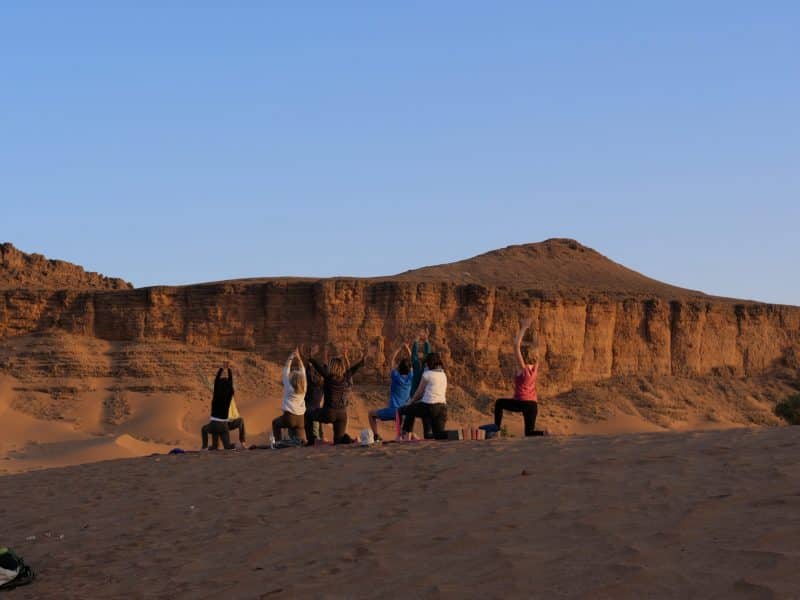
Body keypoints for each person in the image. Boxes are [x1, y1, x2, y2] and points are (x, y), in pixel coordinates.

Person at [493, 317, 545, 437]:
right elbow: (536, 348)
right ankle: (544, 433)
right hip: (533, 405)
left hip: (522, 402)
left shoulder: (523, 368)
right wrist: (535, 332)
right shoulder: (535, 368)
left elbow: (516, 345)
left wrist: (524, 327)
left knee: (499, 403)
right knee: (529, 433)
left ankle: (496, 430)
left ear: (523, 357)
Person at [305, 348, 367, 444]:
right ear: (342, 367)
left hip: (328, 413)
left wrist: (311, 359)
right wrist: (361, 362)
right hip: (342, 415)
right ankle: (351, 440)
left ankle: (311, 441)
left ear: (331, 367)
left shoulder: (328, 377)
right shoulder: (345, 377)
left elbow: (318, 368)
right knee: (338, 441)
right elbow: (353, 369)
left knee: (308, 414)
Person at [368, 344, 413, 441]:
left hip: (394, 411)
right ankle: (404, 435)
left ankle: (376, 436)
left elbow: (391, 361)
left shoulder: (396, 376)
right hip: (405, 413)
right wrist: (407, 349)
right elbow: (412, 361)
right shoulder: (410, 378)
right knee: (405, 431)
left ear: (399, 368)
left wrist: (399, 348)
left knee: (371, 414)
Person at [402, 352, 448, 439]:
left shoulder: (427, 374)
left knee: (408, 409)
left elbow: (419, 393)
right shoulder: (443, 375)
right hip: (442, 409)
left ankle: (406, 434)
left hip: (429, 407)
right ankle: (455, 434)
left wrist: (410, 402)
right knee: (438, 435)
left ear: (429, 363)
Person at [272, 348, 307, 443]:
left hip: (289, 418)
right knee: (299, 440)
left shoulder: (288, 386)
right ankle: (299, 441)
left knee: (275, 423)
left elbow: (286, 370)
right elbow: (303, 371)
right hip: (301, 419)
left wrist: (291, 357)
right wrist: (299, 358)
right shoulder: (304, 387)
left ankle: (278, 443)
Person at [206, 362, 236, 450]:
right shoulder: (229, 395)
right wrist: (229, 370)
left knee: (204, 430)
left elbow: (216, 381)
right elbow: (230, 382)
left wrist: (221, 369)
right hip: (224, 425)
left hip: (215, 423)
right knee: (227, 446)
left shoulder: (216, 393)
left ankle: (205, 447)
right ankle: (237, 446)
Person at [303, 344, 326, 442]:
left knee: (311, 428)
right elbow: (325, 371)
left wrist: (311, 356)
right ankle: (320, 439)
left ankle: (314, 440)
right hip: (317, 410)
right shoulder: (323, 386)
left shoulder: (311, 385)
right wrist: (325, 356)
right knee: (318, 427)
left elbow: (308, 371)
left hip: (309, 411)